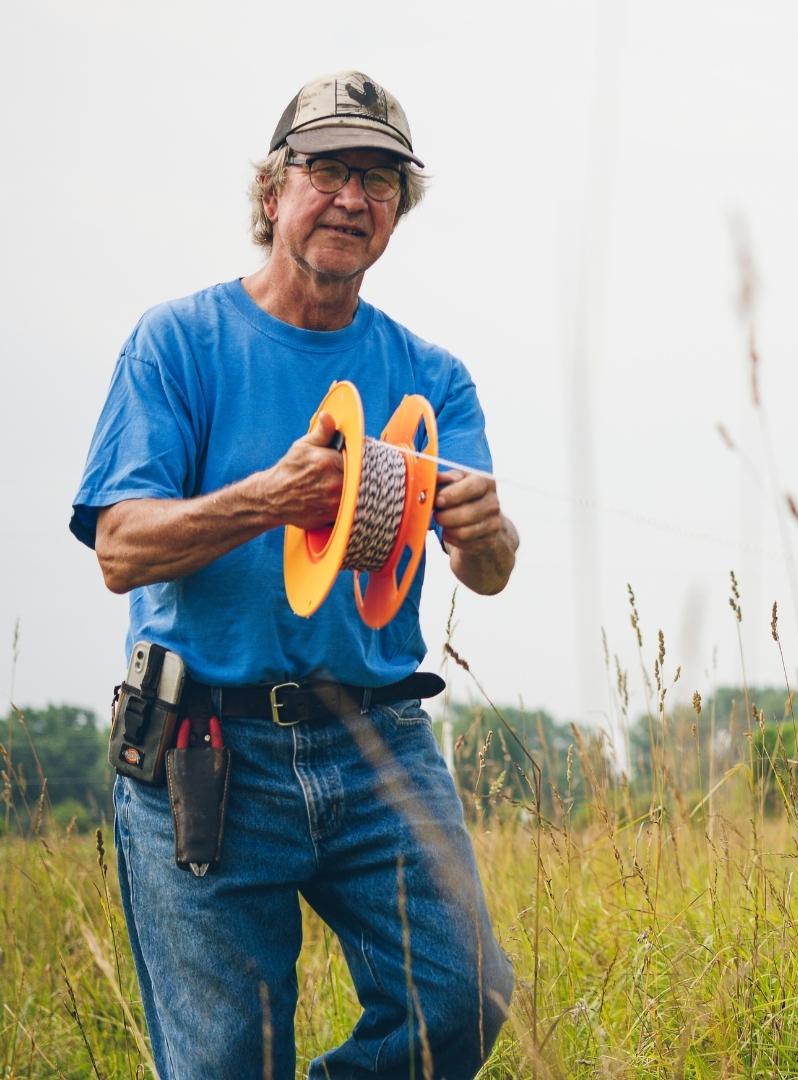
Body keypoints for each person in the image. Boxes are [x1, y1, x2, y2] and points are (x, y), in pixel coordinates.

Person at [70, 71, 518, 1079]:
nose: (353, 199)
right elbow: (118, 549)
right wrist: (268, 500)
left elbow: (482, 570)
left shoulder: (432, 376)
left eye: (382, 180)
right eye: (328, 171)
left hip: (379, 741)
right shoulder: (177, 344)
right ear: (273, 193)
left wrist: (490, 535)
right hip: (206, 747)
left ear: (399, 211)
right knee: (229, 1059)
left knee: (466, 995)